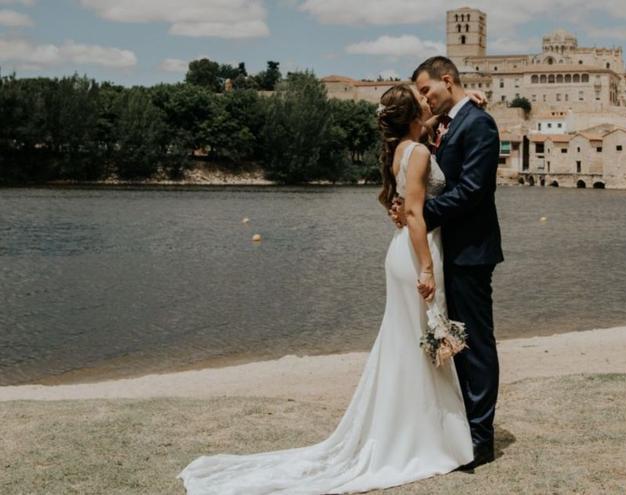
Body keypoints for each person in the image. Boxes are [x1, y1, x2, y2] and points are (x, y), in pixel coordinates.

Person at [177, 83, 481, 494]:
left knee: (407, 345)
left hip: (401, 254)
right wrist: (426, 268)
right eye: (422, 102)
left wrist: (466, 101)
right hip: (417, 254)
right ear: (412, 117)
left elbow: (417, 153)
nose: (429, 104)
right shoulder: (421, 153)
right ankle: (420, 436)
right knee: (419, 344)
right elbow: (412, 211)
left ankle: (408, 429)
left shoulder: (400, 150)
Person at [393, 55, 503, 471]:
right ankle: (457, 431)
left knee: (474, 343)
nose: (424, 98)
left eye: (426, 90)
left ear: (447, 79)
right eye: (419, 94)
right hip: (444, 249)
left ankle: (481, 440)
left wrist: (419, 213)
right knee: (450, 341)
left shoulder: (479, 124)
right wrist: (409, 209)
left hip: (471, 251)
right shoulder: (448, 123)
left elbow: (474, 190)